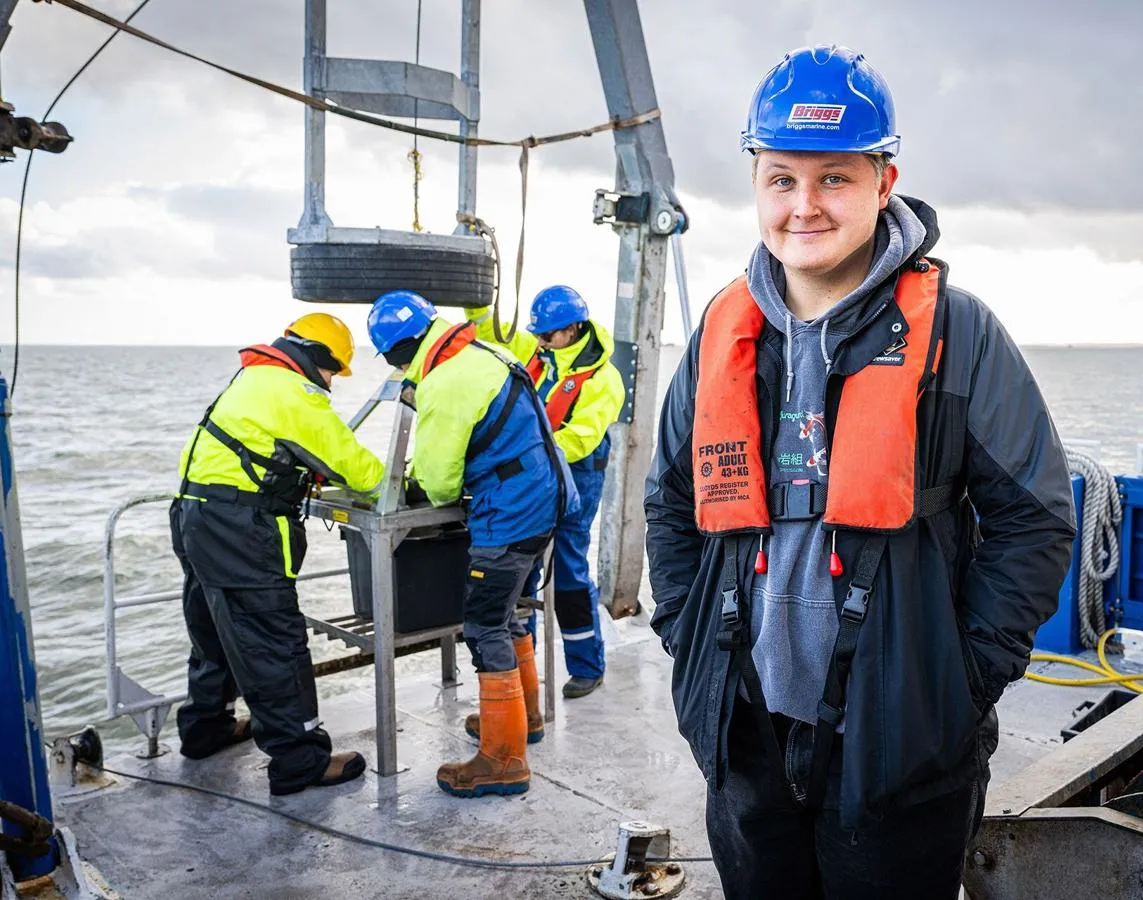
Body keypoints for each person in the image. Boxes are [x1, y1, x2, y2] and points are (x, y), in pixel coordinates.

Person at [643, 45, 1076, 898]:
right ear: (756, 183)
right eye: (781, 180)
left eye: (834, 179)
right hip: (745, 733)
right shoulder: (718, 338)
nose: (805, 206)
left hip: (901, 742)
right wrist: (691, 647)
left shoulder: (959, 334)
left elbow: (1035, 520)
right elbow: (670, 505)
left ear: (885, 181)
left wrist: (955, 683)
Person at [367, 290, 574, 798]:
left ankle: (503, 762)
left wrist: (415, 481)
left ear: (399, 351)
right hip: (544, 497)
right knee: (513, 614)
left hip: (512, 511)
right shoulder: (486, 352)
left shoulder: (446, 380)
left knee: (484, 628)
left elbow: (438, 482)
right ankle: (523, 721)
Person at [173, 313, 384, 796]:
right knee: (272, 639)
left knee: (213, 630)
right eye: (334, 372)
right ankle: (300, 760)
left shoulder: (253, 378)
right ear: (319, 359)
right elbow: (357, 467)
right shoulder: (295, 392)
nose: (332, 383)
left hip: (195, 516)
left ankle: (207, 728)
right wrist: (406, 486)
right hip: (239, 530)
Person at [468, 286, 625, 699]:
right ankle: (524, 670)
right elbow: (488, 329)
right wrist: (475, 289)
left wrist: (533, 456)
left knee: (569, 567)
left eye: (548, 336)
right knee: (523, 570)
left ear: (572, 329)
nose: (539, 342)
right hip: (537, 473)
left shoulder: (603, 379)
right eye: (537, 335)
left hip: (576, 475)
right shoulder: (536, 353)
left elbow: (584, 437)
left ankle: (587, 666)